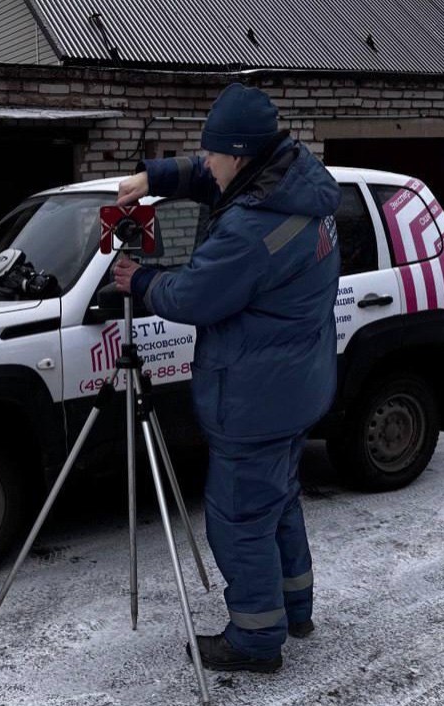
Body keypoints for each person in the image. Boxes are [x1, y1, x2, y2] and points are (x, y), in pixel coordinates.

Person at [112, 83, 341, 673]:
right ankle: (295, 608)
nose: (206, 163)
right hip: (297, 388)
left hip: (254, 397)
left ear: (239, 154)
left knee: (239, 519)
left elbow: (194, 295)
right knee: (278, 502)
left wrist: (139, 280)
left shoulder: (252, 229)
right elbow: (211, 174)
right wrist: (154, 176)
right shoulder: (295, 178)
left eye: (213, 153)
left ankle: (255, 639)